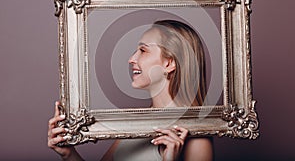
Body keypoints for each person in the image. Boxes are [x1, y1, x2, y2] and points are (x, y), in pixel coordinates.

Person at [48, 20, 214, 161]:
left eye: (143, 50)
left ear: (169, 63)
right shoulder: (136, 122)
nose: (131, 59)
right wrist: (69, 154)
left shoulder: (197, 138)